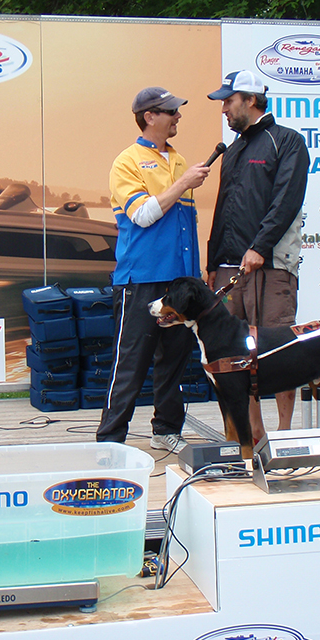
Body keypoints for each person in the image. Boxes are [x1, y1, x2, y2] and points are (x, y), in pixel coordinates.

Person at [97, 87, 212, 453]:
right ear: (149, 116)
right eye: (171, 111)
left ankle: (165, 430)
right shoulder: (126, 161)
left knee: (174, 360)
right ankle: (110, 441)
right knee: (130, 363)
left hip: (179, 282)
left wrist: (195, 276)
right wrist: (182, 185)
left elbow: (185, 227)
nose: (178, 116)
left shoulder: (178, 160)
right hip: (140, 280)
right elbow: (142, 215)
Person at [206, 70, 310, 445]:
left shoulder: (287, 142)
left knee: (282, 347)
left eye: (228, 101)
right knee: (237, 357)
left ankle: (284, 436)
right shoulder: (232, 151)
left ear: (250, 100)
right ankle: (255, 435)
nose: (223, 109)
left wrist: (260, 248)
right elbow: (222, 211)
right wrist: (212, 264)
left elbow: (286, 202)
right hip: (231, 268)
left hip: (271, 266)